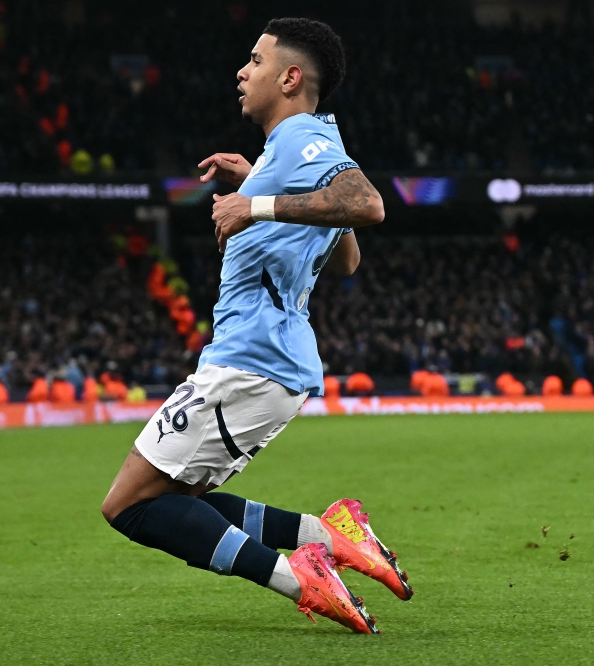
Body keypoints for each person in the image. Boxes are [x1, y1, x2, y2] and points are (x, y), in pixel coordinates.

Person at [101, 18, 411, 634]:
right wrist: (260, 182)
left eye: (255, 60)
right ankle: (331, 536)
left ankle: (301, 577)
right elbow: (346, 258)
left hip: (249, 361)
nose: (242, 72)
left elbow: (368, 205)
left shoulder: (300, 139)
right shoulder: (292, 149)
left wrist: (257, 203)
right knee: (176, 503)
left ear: (290, 78)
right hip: (268, 364)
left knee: (129, 505)